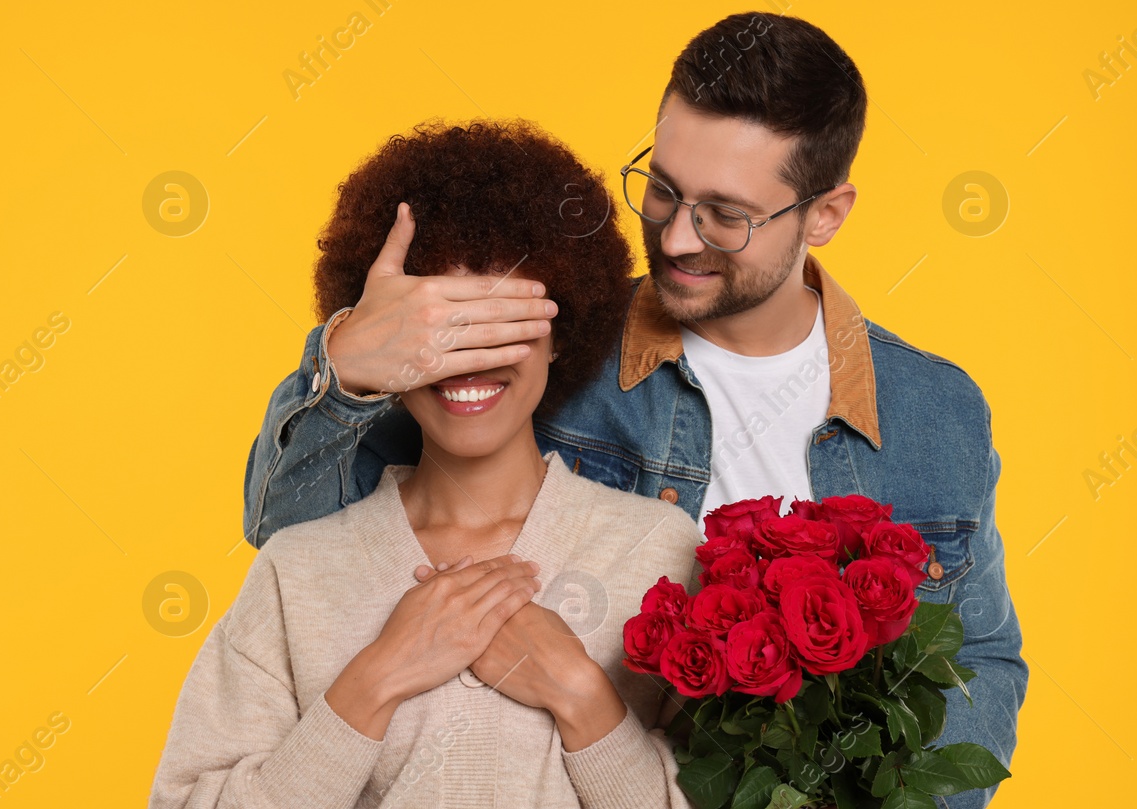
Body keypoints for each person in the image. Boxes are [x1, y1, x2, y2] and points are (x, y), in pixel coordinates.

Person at [241, 13, 1025, 809]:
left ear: (824, 213)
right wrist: (341, 369)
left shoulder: (938, 410)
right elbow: (303, 541)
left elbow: (979, 655)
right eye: (663, 189)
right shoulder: (545, 346)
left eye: (726, 214)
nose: (678, 237)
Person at [151, 120, 702, 808]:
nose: (468, 356)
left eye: (502, 317)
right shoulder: (296, 570)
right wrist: (376, 677)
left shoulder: (664, 552)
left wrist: (585, 698)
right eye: (439, 322)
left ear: (561, 333)